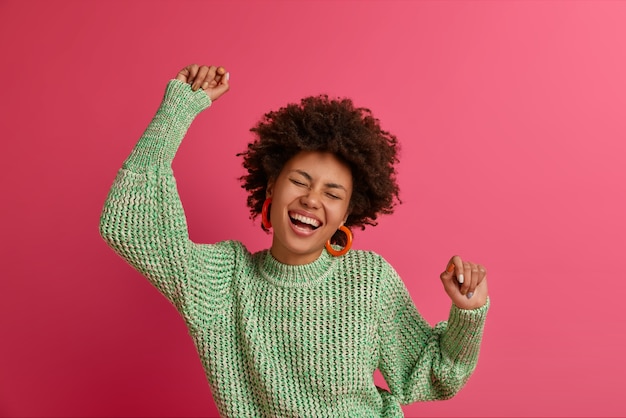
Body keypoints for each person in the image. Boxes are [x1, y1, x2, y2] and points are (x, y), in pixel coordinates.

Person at [99, 64, 489, 417]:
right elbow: (129, 226)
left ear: (347, 213)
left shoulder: (368, 280)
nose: (312, 199)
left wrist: (468, 314)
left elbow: (431, 374)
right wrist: (178, 110)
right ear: (272, 185)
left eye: (332, 194)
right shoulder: (225, 281)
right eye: (300, 181)